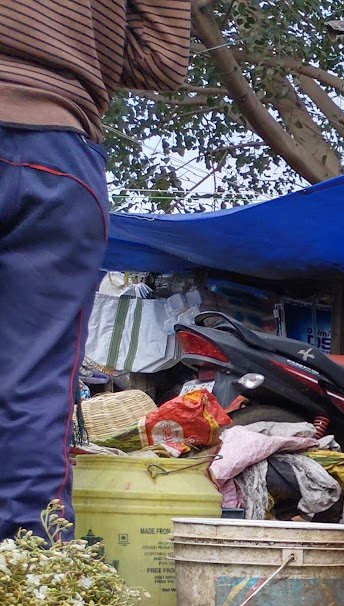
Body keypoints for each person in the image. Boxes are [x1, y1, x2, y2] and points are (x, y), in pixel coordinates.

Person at [0, 0, 191, 539]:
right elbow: (160, 60)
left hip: (62, 151)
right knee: (36, 386)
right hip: (60, 158)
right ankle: (31, 586)